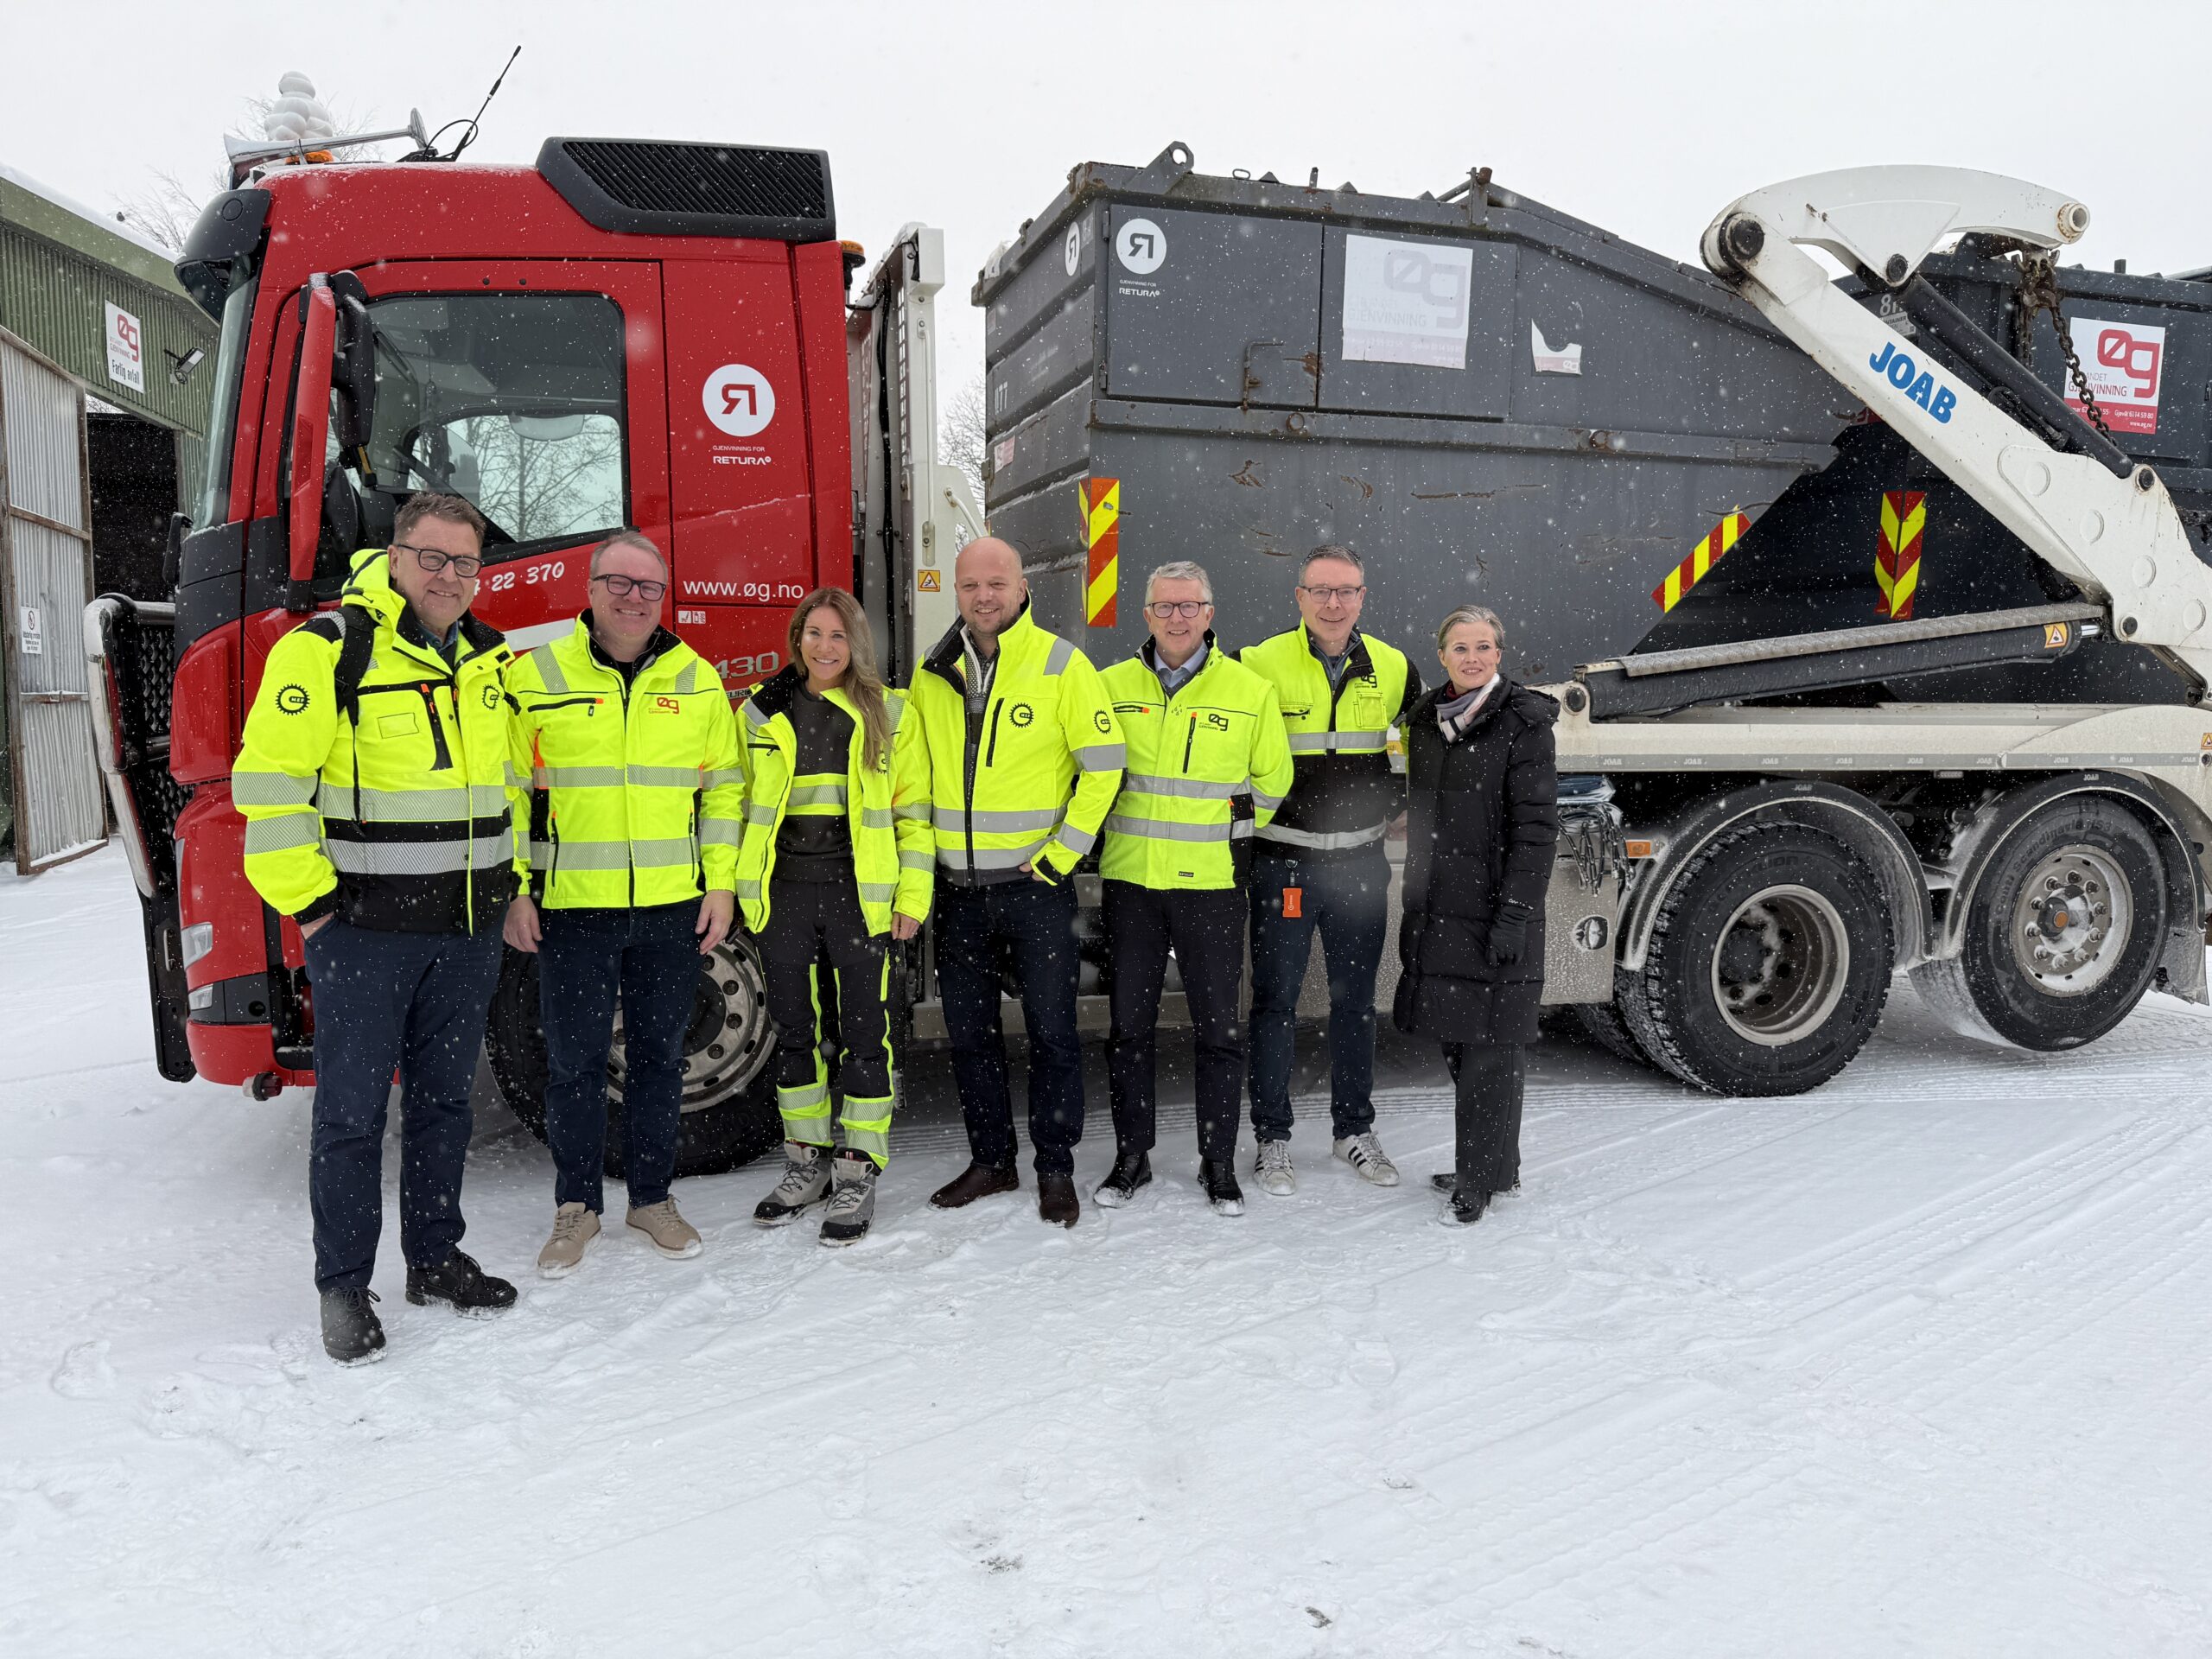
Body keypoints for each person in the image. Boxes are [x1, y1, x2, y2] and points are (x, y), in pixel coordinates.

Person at [234, 493, 521, 1364]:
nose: (448, 577)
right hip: (363, 936)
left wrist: (513, 889)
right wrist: (315, 909)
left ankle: (433, 1258)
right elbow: (268, 787)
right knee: (353, 1117)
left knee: (442, 1106)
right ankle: (342, 1287)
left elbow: (506, 789)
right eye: (431, 558)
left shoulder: (486, 658)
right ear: (395, 557)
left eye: (464, 564)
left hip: (465, 931)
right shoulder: (328, 650)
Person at [503, 531, 744, 1275]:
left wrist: (721, 881)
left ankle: (652, 1200)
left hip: (672, 908)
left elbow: (725, 788)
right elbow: (506, 790)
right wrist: (515, 889)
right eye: (620, 583)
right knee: (574, 1065)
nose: (634, 598)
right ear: (591, 587)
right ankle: (576, 1209)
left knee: (658, 1061)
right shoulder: (536, 676)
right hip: (575, 908)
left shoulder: (696, 679)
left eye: (649, 587)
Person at [909, 537, 1124, 1227]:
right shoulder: (932, 673)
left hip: (1036, 890)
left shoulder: (1062, 665)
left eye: (996, 583)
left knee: (1052, 1033)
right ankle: (992, 1161)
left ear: (1021, 586)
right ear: (957, 593)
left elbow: (1105, 765)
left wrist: (1064, 853)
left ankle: (1053, 1167)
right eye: (970, 585)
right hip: (959, 892)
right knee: (969, 1036)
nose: (984, 596)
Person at [1094, 561, 1293, 1215]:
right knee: (1129, 1030)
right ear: (1145, 615)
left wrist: (1224, 828)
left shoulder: (1247, 689)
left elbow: (1272, 781)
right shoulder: (1109, 687)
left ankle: (1217, 1160)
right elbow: (1087, 774)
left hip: (1210, 885)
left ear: (1210, 613)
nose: (1177, 617)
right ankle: (1132, 1157)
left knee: (1219, 1032)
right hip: (1132, 885)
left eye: (1190, 606)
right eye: (1164, 606)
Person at [737, 588, 932, 1246]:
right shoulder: (760, 711)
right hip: (784, 893)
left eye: (838, 636)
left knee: (864, 1035)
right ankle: (806, 1163)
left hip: (861, 895)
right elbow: (737, 804)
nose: (824, 647)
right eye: (813, 633)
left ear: (857, 644)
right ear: (797, 638)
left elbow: (913, 813)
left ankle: (859, 1165)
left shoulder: (891, 712)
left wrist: (912, 898)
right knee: (794, 1033)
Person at [1238, 545, 1424, 1197]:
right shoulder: (1257, 663)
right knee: (1275, 1004)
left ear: (1363, 596)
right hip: (1284, 865)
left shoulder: (1396, 668)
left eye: (1346, 591)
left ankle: (1354, 1130)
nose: (1333, 603)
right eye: (1320, 591)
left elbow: (1421, 749)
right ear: (1299, 596)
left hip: (1360, 866)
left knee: (1355, 1005)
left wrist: (1403, 805)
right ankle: (1273, 1139)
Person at [1392, 605, 1560, 1225]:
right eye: (1460, 648)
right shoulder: (1428, 722)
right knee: (1461, 1039)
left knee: (1493, 1047)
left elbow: (1537, 829)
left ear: (1499, 653)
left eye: (1484, 647)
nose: (1473, 658)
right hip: (1440, 907)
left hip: (1494, 911)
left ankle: (1480, 1177)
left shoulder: (1523, 723)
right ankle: (1493, 1163)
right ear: (1441, 656)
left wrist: (1516, 912)